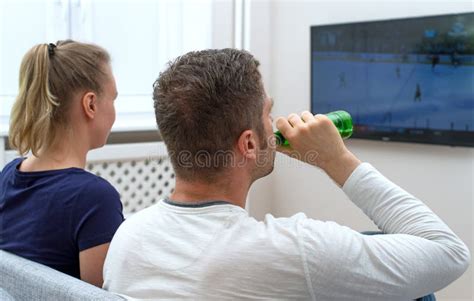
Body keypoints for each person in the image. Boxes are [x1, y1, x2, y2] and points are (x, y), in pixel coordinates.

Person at [103, 49, 470, 300]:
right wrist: (336, 159)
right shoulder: (295, 250)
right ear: (248, 144)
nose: (275, 124)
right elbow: (448, 251)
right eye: (267, 114)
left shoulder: (128, 238)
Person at [0, 40, 124, 287]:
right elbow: (98, 296)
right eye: (113, 98)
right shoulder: (95, 199)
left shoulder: (6, 176)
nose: (114, 110)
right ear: (90, 104)